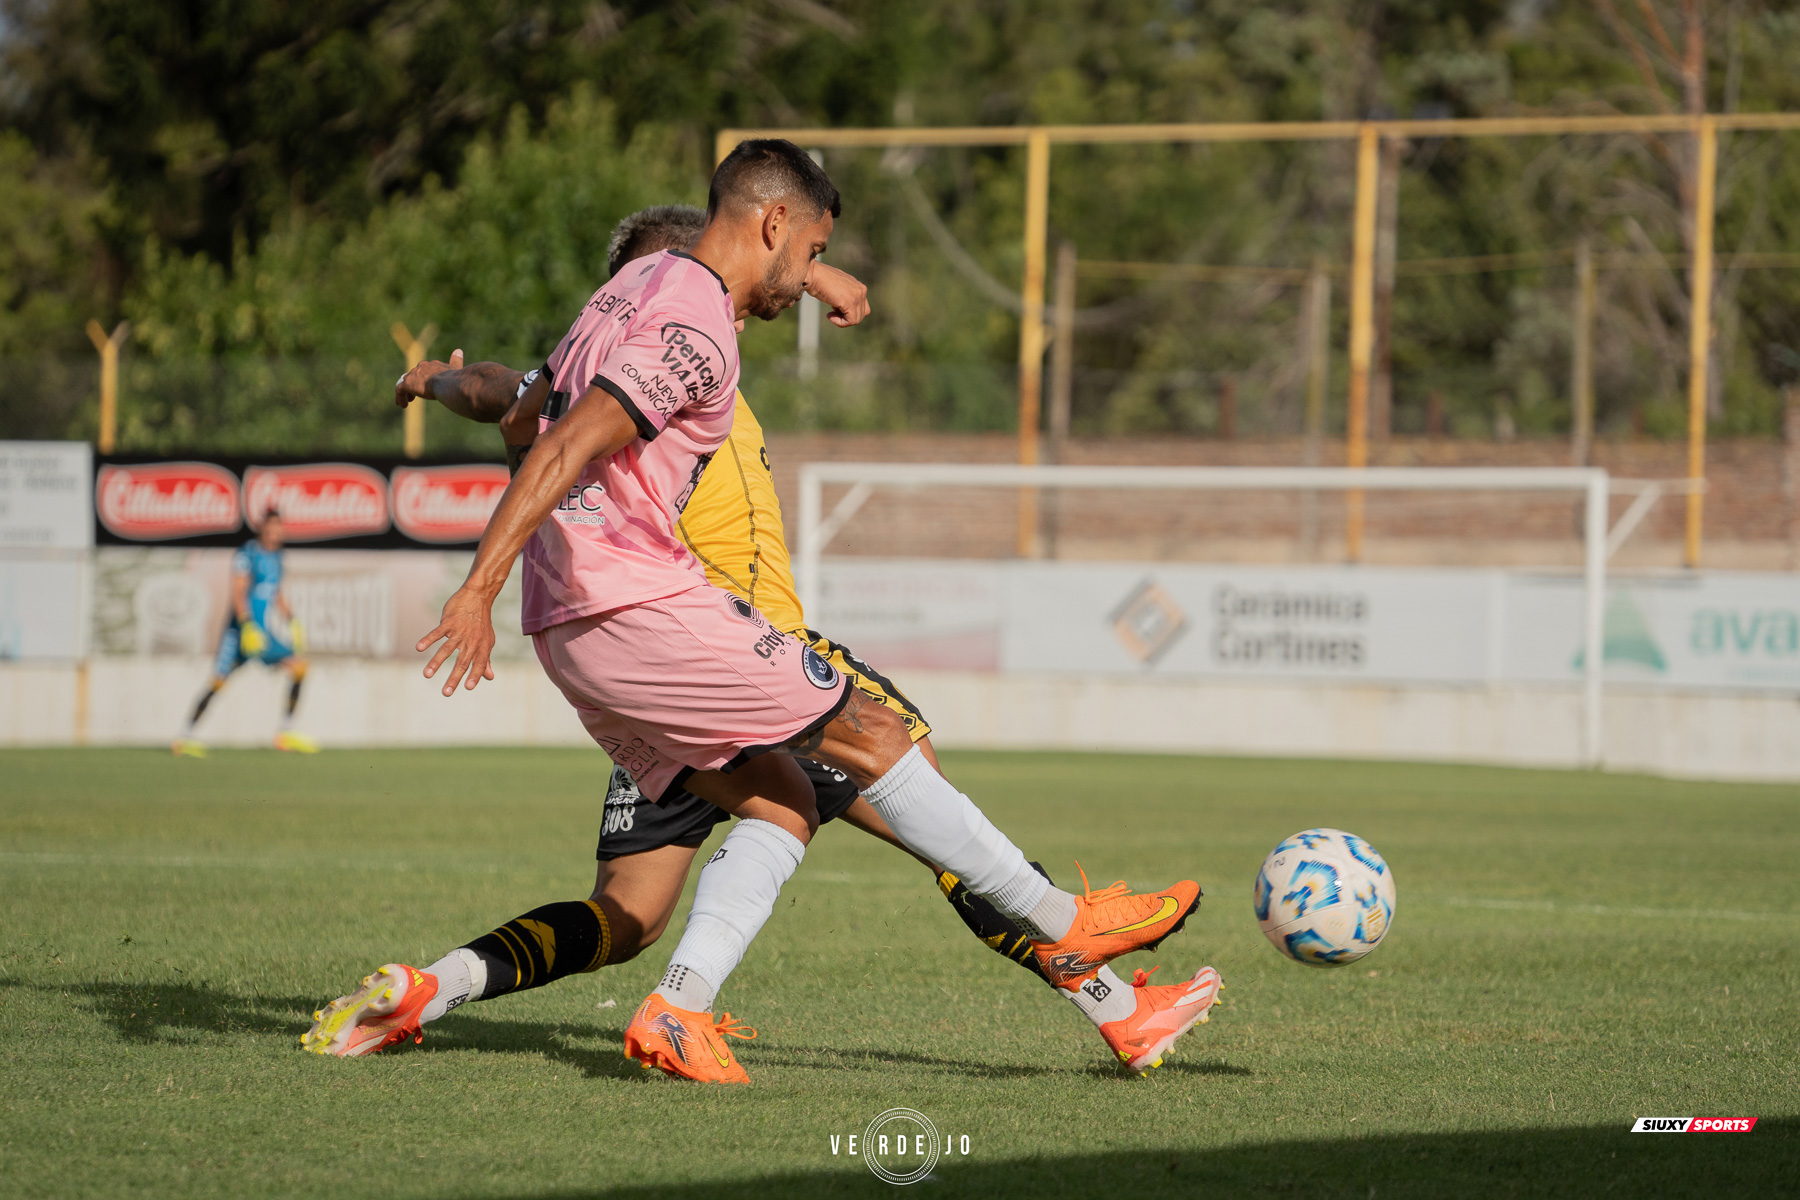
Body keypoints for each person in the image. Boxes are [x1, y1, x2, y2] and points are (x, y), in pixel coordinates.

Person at [306, 140, 1201, 1084]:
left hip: (590, 639)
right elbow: (580, 429)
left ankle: (433, 989)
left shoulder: (613, 316)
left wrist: (427, 381)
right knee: (898, 765)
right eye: (805, 250)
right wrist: (476, 585)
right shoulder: (694, 354)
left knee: (646, 902)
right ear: (760, 234)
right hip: (695, 630)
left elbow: (499, 391)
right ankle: (1093, 965)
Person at [172, 511, 317, 756]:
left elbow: (276, 594)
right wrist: (246, 624)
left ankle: (286, 731)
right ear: (262, 529)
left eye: (279, 528)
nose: (276, 532)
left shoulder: (279, 558)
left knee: (299, 667)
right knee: (218, 680)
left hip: (263, 635)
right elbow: (238, 593)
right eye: (271, 528)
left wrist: (292, 620)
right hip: (241, 632)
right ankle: (185, 736)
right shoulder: (247, 553)